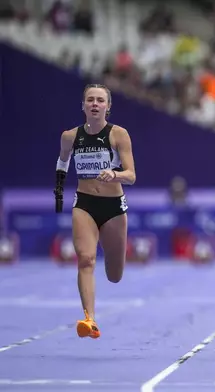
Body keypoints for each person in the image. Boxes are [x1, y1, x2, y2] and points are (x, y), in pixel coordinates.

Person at [54, 84, 136, 339]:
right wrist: (58, 192)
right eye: (90, 99)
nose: (95, 104)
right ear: (83, 105)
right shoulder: (70, 136)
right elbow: (62, 161)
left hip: (113, 208)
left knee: (114, 275)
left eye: (100, 100)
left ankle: (111, 265)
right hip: (85, 205)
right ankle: (89, 319)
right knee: (86, 259)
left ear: (107, 107)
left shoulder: (119, 135)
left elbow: (131, 176)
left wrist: (115, 174)